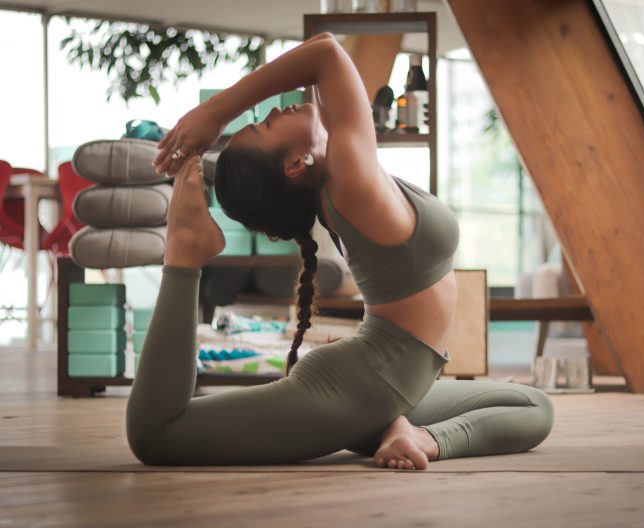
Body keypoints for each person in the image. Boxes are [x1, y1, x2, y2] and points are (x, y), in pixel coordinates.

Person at [126, 32, 554, 470]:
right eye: (267, 125)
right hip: (356, 387)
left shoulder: (341, 178)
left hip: (387, 386)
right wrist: (215, 113)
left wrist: (208, 147)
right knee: (157, 435)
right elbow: (327, 52)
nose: (275, 109)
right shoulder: (351, 183)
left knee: (533, 406)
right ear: (296, 165)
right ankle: (184, 250)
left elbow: (321, 77)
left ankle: (409, 433)